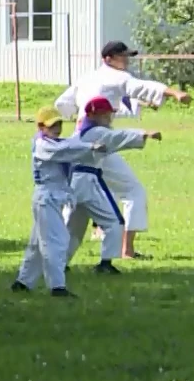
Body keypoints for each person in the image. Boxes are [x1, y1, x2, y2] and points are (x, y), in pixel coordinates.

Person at [53, 42, 190, 258]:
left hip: (80, 138)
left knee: (79, 200)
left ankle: (58, 248)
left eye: (127, 56)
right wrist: (174, 93)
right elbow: (142, 86)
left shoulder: (87, 78)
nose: (126, 60)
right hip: (99, 141)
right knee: (132, 191)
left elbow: (62, 103)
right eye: (122, 56)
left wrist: (80, 116)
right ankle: (126, 250)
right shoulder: (117, 77)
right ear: (108, 58)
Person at [12, 107, 107, 296]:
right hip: (47, 198)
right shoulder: (43, 145)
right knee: (56, 242)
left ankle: (23, 282)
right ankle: (57, 287)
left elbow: (69, 145)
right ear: (40, 126)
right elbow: (65, 150)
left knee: (38, 244)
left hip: (53, 198)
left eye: (59, 124)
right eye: (51, 125)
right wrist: (90, 147)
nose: (57, 128)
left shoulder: (54, 142)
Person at [65, 97, 162, 276]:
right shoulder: (96, 132)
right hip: (89, 182)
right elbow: (117, 137)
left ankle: (59, 262)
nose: (109, 117)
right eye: (106, 114)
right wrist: (144, 134)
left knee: (73, 227)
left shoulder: (81, 132)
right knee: (114, 222)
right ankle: (105, 263)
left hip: (74, 184)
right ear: (94, 115)